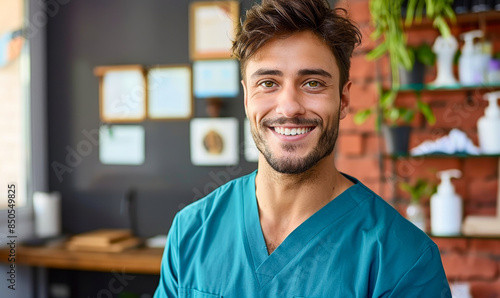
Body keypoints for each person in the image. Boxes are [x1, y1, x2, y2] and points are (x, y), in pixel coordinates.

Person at [154, 0, 451, 297]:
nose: (289, 107)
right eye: (268, 83)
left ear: (343, 99)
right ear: (247, 98)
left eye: (312, 83)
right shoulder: (190, 232)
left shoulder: (403, 259)